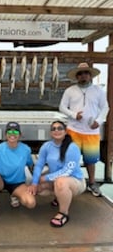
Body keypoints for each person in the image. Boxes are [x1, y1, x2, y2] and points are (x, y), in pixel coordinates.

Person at [59, 62, 109, 197]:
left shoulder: (99, 91)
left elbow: (105, 108)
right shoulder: (70, 90)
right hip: (73, 130)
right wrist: (74, 115)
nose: (83, 76)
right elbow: (62, 107)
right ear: (77, 76)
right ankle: (68, 183)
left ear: (90, 75)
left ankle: (92, 183)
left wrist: (98, 122)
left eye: (86, 73)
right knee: (70, 158)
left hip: (91, 132)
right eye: (80, 74)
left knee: (91, 160)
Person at [28, 120, 86, 228]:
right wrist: (34, 183)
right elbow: (39, 165)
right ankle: (59, 197)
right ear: (50, 133)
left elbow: (67, 170)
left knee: (60, 182)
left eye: (60, 128)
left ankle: (63, 213)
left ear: (65, 132)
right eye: (53, 129)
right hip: (55, 178)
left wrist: (47, 177)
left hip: (74, 180)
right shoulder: (46, 146)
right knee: (39, 188)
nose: (56, 130)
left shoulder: (72, 147)